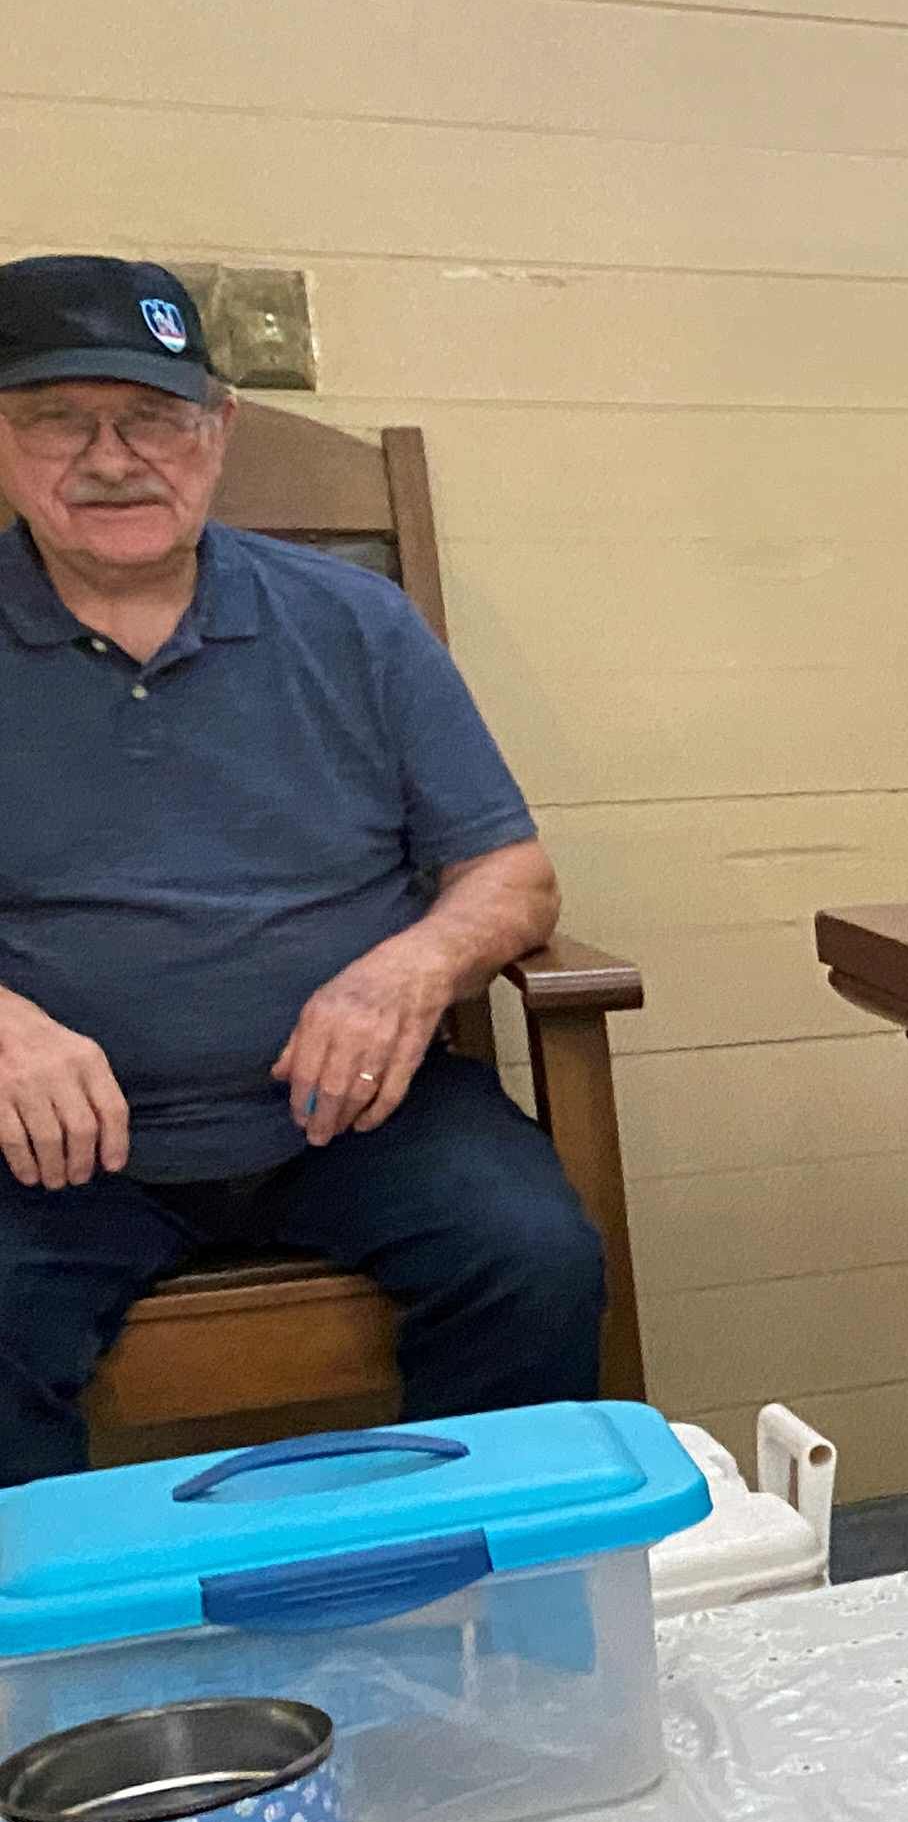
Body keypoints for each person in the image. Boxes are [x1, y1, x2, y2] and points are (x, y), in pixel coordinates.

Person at [0, 254, 600, 1485]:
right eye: (60, 418)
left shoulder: (354, 623)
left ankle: (479, 1628)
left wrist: (411, 969)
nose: (113, 458)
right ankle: (67, 1664)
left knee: (534, 1257)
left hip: (361, 1114)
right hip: (50, 1149)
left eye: (157, 418)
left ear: (215, 433)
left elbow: (512, 875)